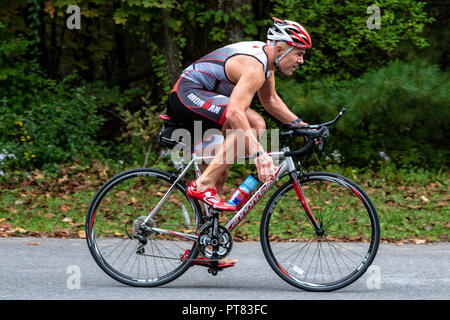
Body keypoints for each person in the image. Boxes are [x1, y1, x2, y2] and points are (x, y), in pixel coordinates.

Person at [167, 17, 312, 212]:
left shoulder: (267, 65)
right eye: (299, 54)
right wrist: (260, 155)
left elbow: (270, 101)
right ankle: (200, 186)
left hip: (202, 101)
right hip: (187, 94)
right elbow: (235, 112)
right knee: (254, 124)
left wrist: (302, 127)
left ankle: (203, 239)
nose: (301, 61)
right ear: (279, 49)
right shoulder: (255, 67)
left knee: (219, 173)